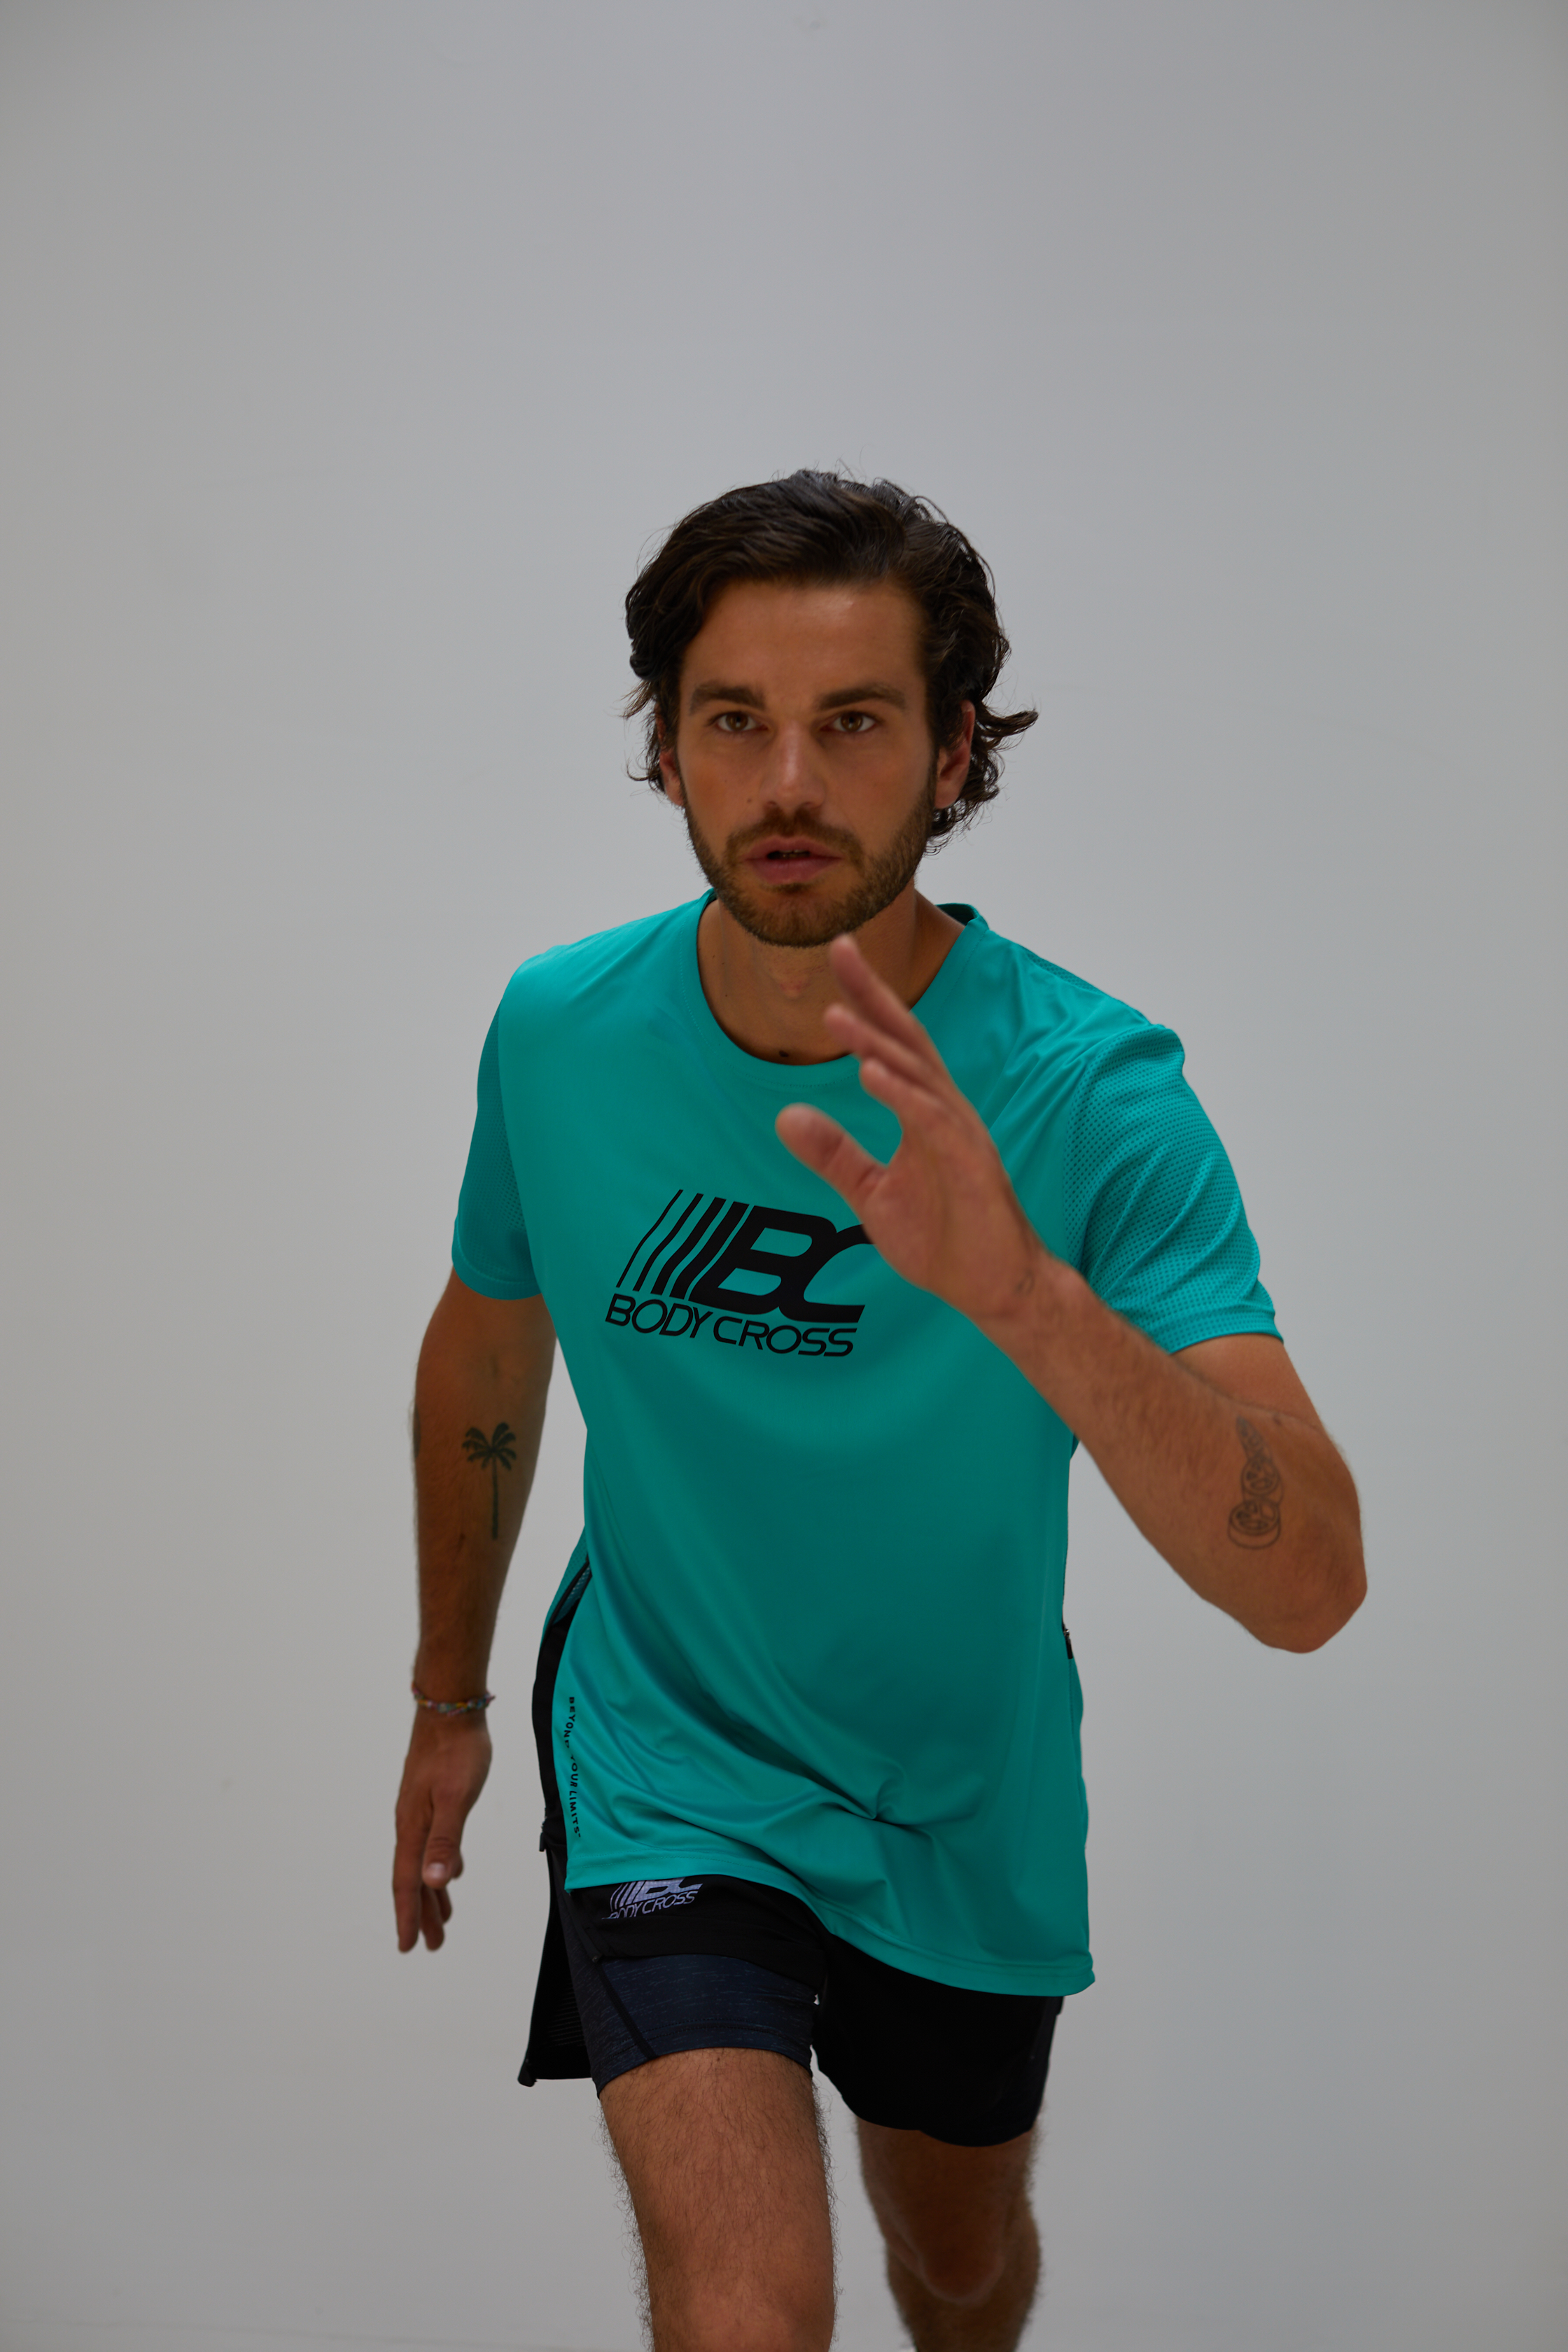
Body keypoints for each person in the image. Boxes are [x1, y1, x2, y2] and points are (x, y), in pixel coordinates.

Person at [391, 472, 1365, 2352]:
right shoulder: (558, 1032)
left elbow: (1311, 1579)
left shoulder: (1093, 1090)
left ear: (954, 752)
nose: (786, 785)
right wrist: (450, 1698)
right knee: (745, 2312)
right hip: (669, 1745)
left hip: (959, 1792)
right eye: (732, 721)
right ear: (664, 744)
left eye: (851, 724)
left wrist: (1027, 1296)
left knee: (962, 2265)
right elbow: (491, 1342)